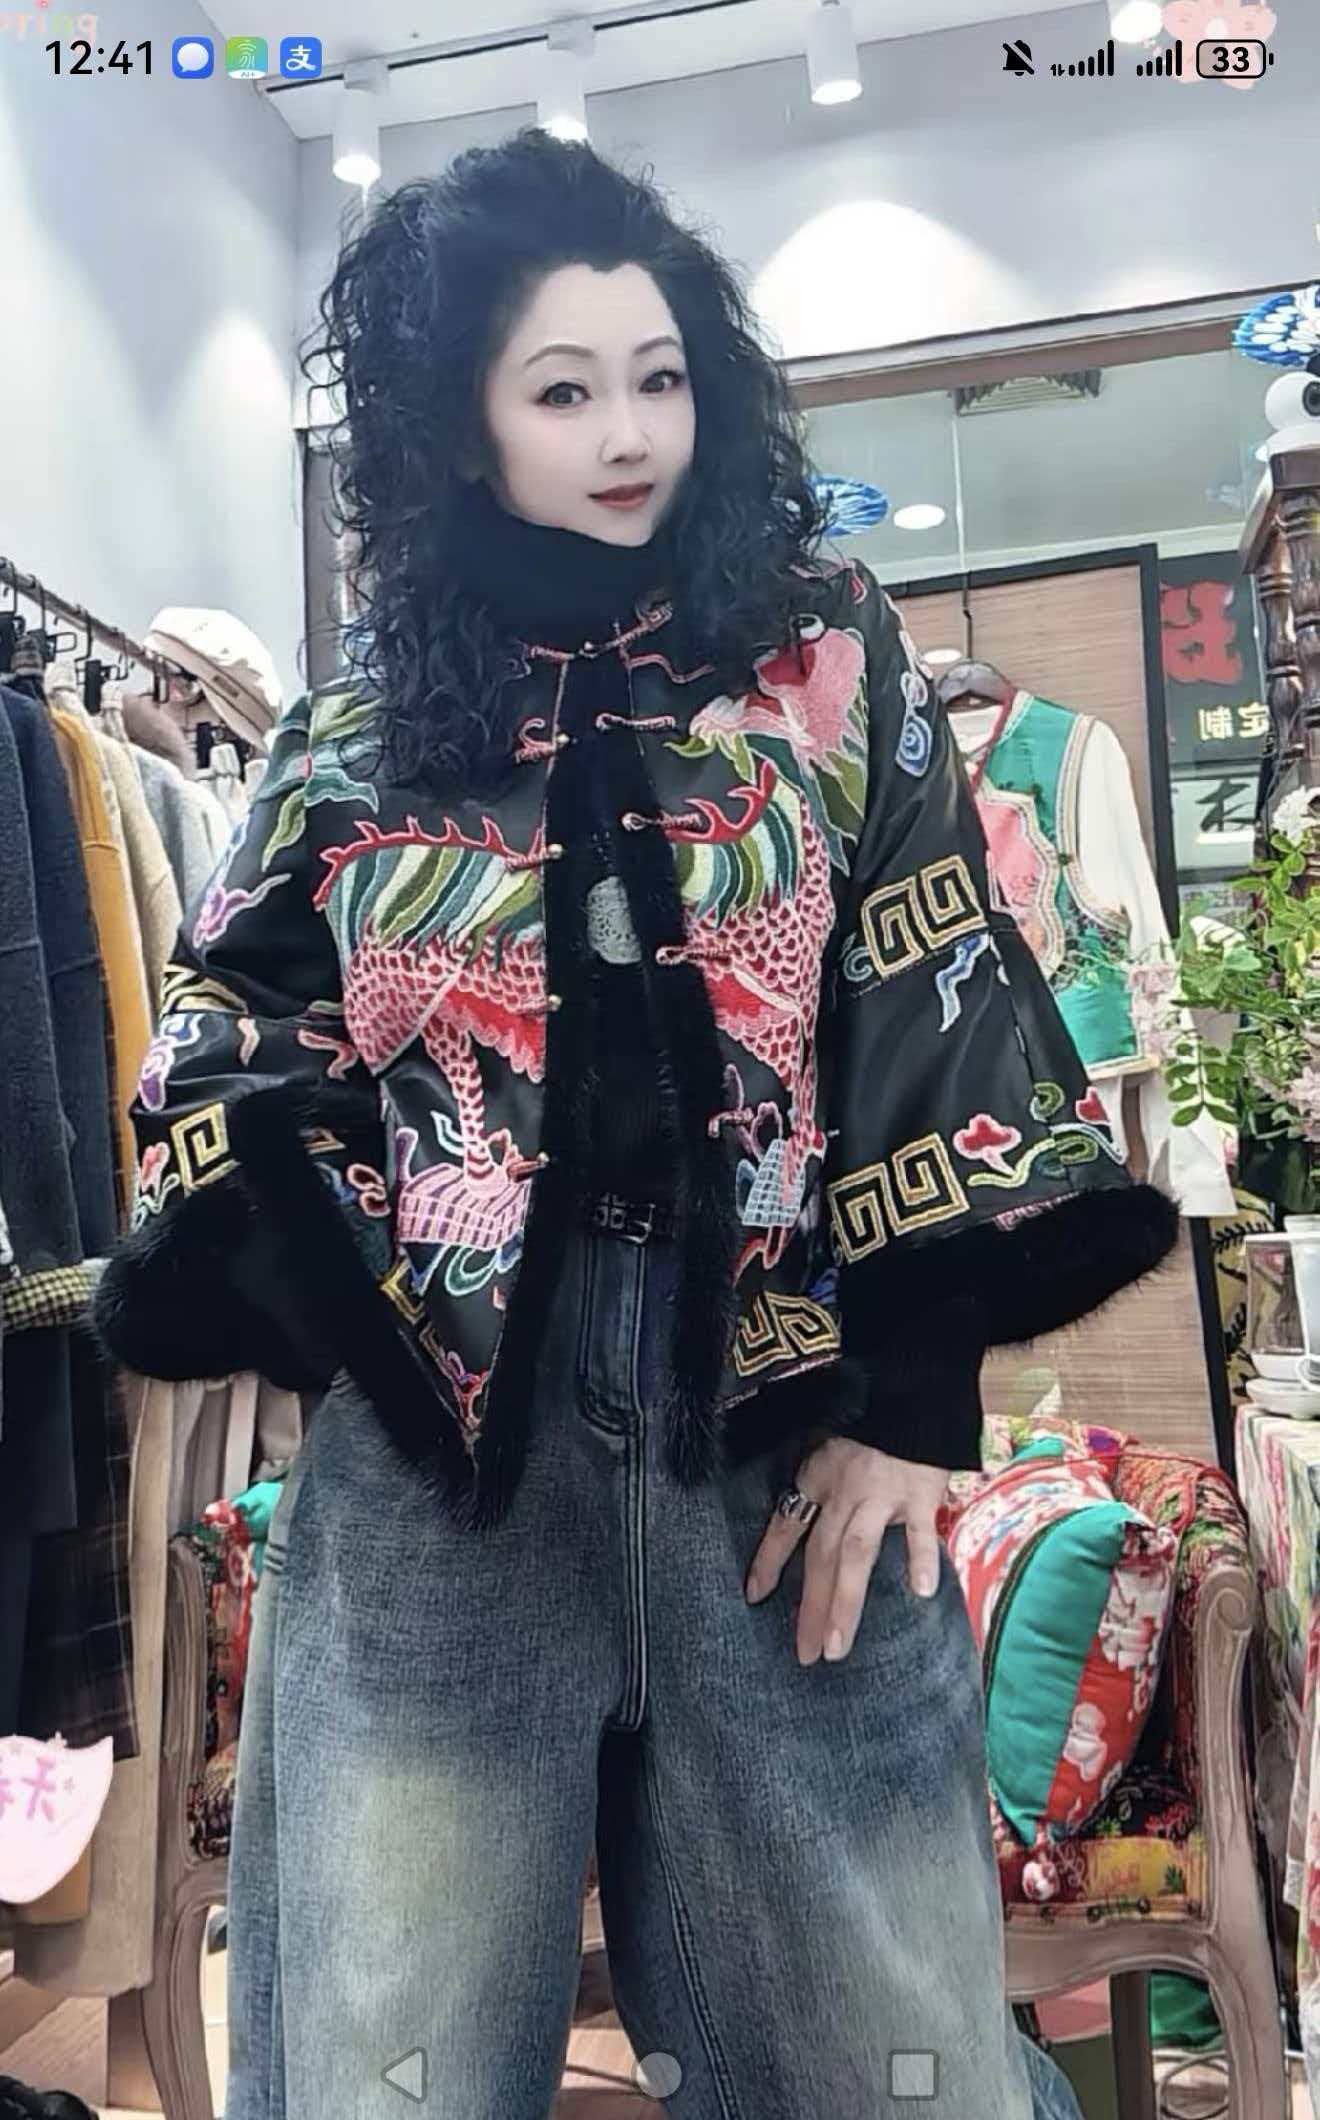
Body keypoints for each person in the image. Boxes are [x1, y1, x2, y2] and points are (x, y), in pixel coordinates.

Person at [95, 130, 1179, 2118]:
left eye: (661, 377)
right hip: (447, 1484)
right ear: (463, 421)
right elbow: (227, 1041)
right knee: (390, 2068)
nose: (626, 434)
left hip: (781, 1437)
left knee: (897, 2057)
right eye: (565, 388)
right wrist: (355, 1331)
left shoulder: (822, 653)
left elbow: (935, 972)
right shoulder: (362, 724)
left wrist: (913, 1390)